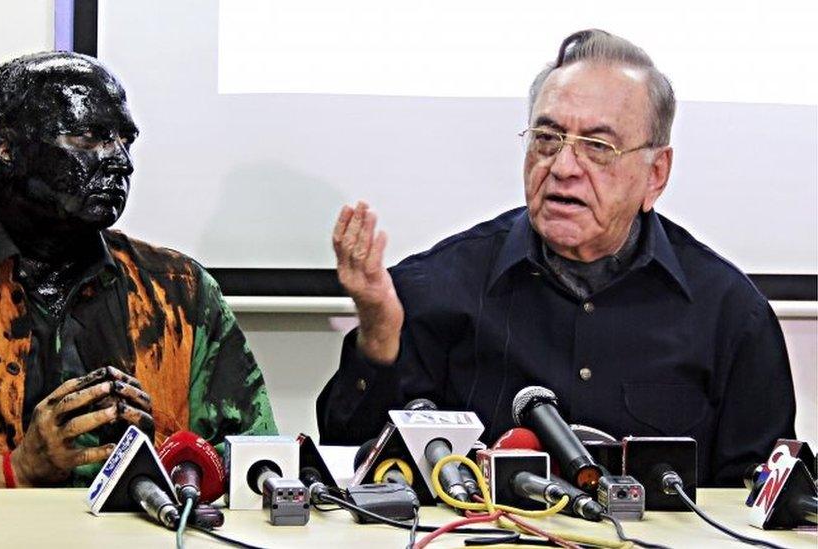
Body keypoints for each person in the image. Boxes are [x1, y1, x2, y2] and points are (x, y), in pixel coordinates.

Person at [316, 29, 795, 486]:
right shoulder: (435, 289)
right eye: (547, 138)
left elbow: (758, 505)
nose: (563, 167)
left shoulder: (730, 316)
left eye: (597, 147)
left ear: (656, 174)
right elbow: (350, 458)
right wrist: (379, 330)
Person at [0, 51, 275, 489]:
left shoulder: (180, 292)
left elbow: (255, 463)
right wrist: (16, 470)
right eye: (89, 137)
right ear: (3, 147)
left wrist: (164, 463)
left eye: (125, 139)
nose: (121, 161)